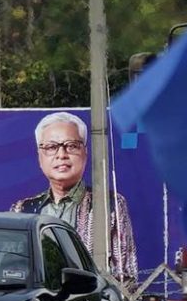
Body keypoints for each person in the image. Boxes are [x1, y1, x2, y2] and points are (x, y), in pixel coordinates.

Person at [11, 110, 137, 287]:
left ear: (85, 153)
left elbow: (126, 275)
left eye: (71, 146)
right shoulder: (22, 209)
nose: (61, 154)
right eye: (51, 147)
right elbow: (12, 268)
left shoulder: (109, 204)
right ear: (39, 156)